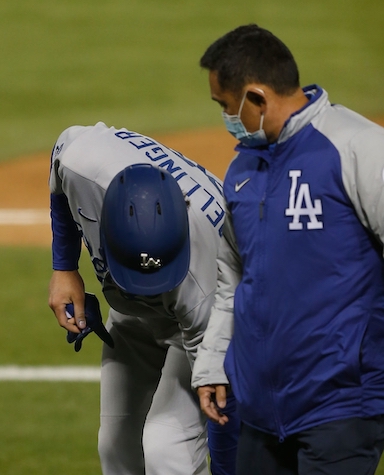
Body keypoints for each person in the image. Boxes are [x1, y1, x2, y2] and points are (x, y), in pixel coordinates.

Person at [191, 24, 384, 475]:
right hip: (259, 410)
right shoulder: (242, 168)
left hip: (341, 407)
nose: (226, 118)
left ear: (256, 98)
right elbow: (233, 280)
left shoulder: (358, 148)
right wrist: (214, 364)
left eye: (225, 105)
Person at [48, 121, 239, 475]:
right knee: (116, 446)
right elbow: (61, 156)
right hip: (140, 320)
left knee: (166, 446)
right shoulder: (83, 163)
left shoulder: (207, 282)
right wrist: (65, 267)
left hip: (204, 326)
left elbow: (224, 406)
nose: (142, 289)